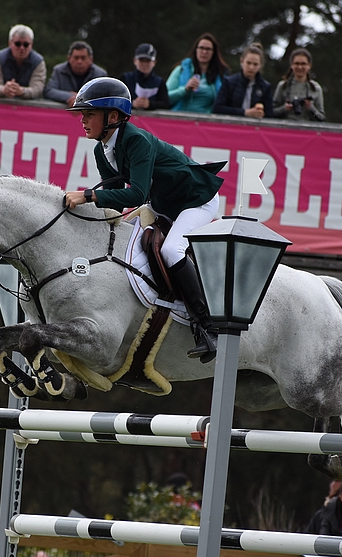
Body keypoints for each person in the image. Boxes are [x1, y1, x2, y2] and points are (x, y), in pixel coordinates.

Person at [64, 78, 224, 362]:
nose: (82, 121)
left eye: (88, 114)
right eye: (82, 115)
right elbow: (112, 194)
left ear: (112, 117)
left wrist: (87, 196)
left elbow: (135, 194)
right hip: (165, 203)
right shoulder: (101, 149)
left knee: (171, 249)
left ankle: (207, 327)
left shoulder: (136, 140)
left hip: (196, 200)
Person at [166, 33, 229, 113]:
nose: (204, 52)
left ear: (214, 52)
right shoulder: (181, 70)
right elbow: (165, 98)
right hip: (180, 119)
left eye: (208, 49)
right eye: (201, 48)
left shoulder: (221, 75)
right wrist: (184, 90)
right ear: (196, 49)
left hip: (207, 121)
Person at [214, 43, 274, 118]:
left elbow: (270, 114)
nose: (251, 67)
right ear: (242, 61)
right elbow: (217, 108)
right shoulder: (229, 82)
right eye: (248, 63)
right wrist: (244, 112)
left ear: (260, 65)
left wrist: (260, 113)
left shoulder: (265, 87)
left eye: (255, 64)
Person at [0, 24, 46, 100]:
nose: (22, 48)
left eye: (26, 44)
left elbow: (37, 89)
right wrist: (4, 90)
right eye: (17, 44)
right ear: (10, 43)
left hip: (27, 107)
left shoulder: (38, 62)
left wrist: (22, 91)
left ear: (31, 45)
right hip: (3, 104)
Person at [44, 41, 108, 106]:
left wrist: (81, 98)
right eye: (76, 58)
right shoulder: (59, 71)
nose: (79, 61)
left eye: (83, 58)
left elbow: (105, 96)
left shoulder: (100, 75)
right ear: (69, 58)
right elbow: (49, 91)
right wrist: (69, 97)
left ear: (91, 59)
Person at [272, 48, 326, 122]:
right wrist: (284, 109)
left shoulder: (316, 88)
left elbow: (321, 117)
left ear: (309, 66)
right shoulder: (283, 86)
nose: (300, 67)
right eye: (297, 63)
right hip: (285, 129)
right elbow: (272, 112)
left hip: (308, 131)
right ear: (292, 65)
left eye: (303, 64)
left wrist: (311, 108)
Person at [118, 43, 169, 111]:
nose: (144, 64)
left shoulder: (159, 82)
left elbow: (166, 104)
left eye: (148, 61)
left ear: (154, 62)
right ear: (135, 61)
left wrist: (150, 104)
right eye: (141, 60)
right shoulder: (125, 78)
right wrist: (132, 103)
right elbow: (116, 100)